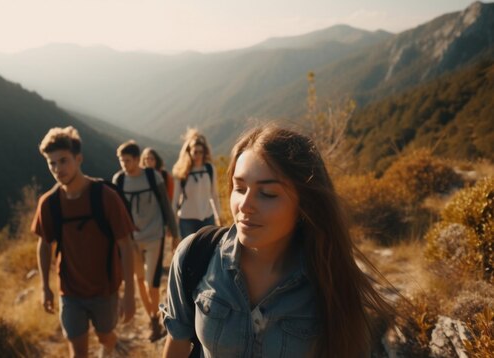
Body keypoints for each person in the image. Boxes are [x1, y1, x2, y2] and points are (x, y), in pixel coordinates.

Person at [161, 124, 395, 357]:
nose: (244, 205)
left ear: (304, 204)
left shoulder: (331, 280)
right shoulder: (196, 255)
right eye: (239, 188)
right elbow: (177, 344)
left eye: (267, 194)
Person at [32, 126, 135, 358]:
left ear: (78, 159)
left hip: (105, 290)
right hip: (69, 292)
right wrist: (45, 287)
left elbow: (126, 245)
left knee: (106, 336)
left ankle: (109, 348)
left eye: (63, 161)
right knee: (77, 353)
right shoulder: (49, 203)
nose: (58, 169)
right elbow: (44, 244)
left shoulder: (105, 197)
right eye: (52, 163)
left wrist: (129, 293)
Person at [113, 140, 181, 342]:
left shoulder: (153, 176)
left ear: (136, 159)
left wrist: (174, 233)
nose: (124, 164)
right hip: (132, 240)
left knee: (152, 283)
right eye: (121, 161)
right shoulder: (119, 180)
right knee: (138, 280)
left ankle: (155, 317)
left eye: (127, 160)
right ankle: (153, 318)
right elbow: (116, 211)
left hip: (154, 236)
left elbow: (166, 206)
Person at [172, 129, 221, 239]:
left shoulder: (209, 169)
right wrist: (173, 223)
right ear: (189, 152)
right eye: (195, 152)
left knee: (209, 252)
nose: (198, 155)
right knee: (191, 253)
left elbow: (214, 195)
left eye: (200, 152)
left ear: (205, 152)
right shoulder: (182, 171)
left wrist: (219, 216)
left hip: (207, 218)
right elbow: (175, 199)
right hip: (187, 220)